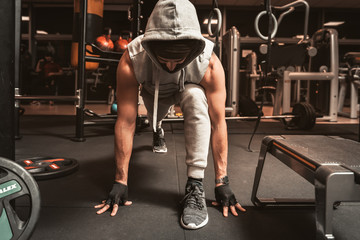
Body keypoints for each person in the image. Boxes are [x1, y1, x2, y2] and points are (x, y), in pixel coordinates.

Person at [95, 0, 246, 229]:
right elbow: (126, 122)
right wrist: (120, 180)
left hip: (188, 87)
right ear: (152, 50)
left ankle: (195, 185)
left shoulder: (210, 64)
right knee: (153, 121)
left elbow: (218, 123)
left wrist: (221, 181)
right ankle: (158, 128)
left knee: (195, 97)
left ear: (193, 51)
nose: (171, 66)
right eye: (164, 60)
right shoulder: (132, 59)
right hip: (153, 91)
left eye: (179, 60)